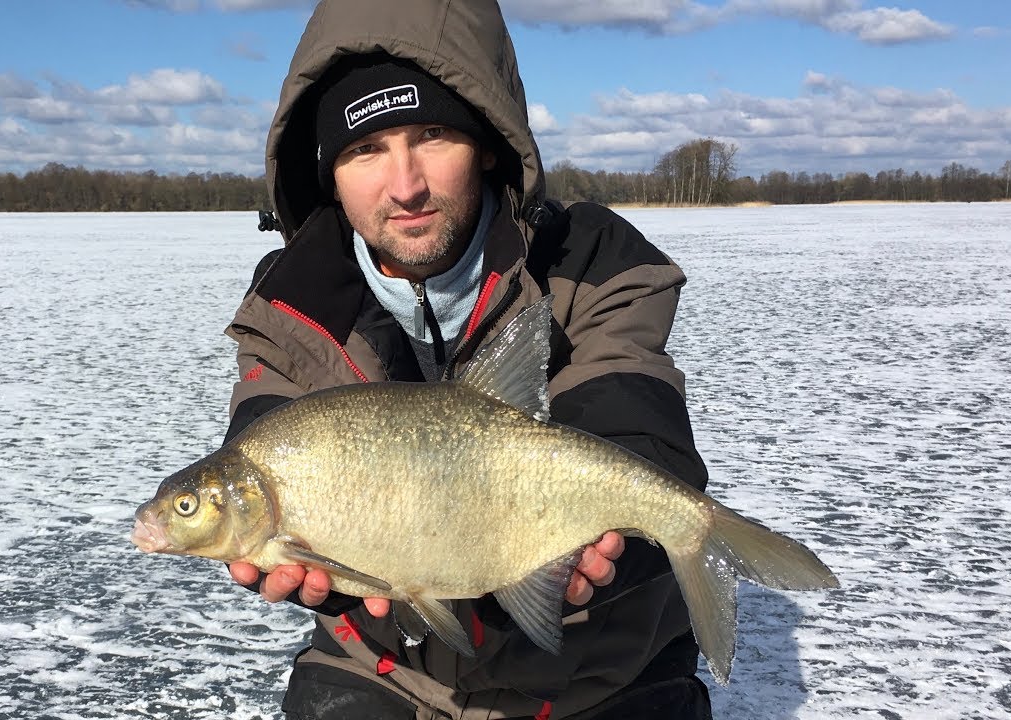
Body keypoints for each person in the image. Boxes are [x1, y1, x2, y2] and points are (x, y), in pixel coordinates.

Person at [221, 1, 711, 717]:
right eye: (366, 150)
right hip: (385, 666)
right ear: (328, 173)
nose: (406, 184)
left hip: (604, 668)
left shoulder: (595, 262)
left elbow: (635, 418)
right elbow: (267, 427)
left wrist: (624, 540)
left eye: (433, 135)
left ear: (485, 141)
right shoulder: (288, 300)